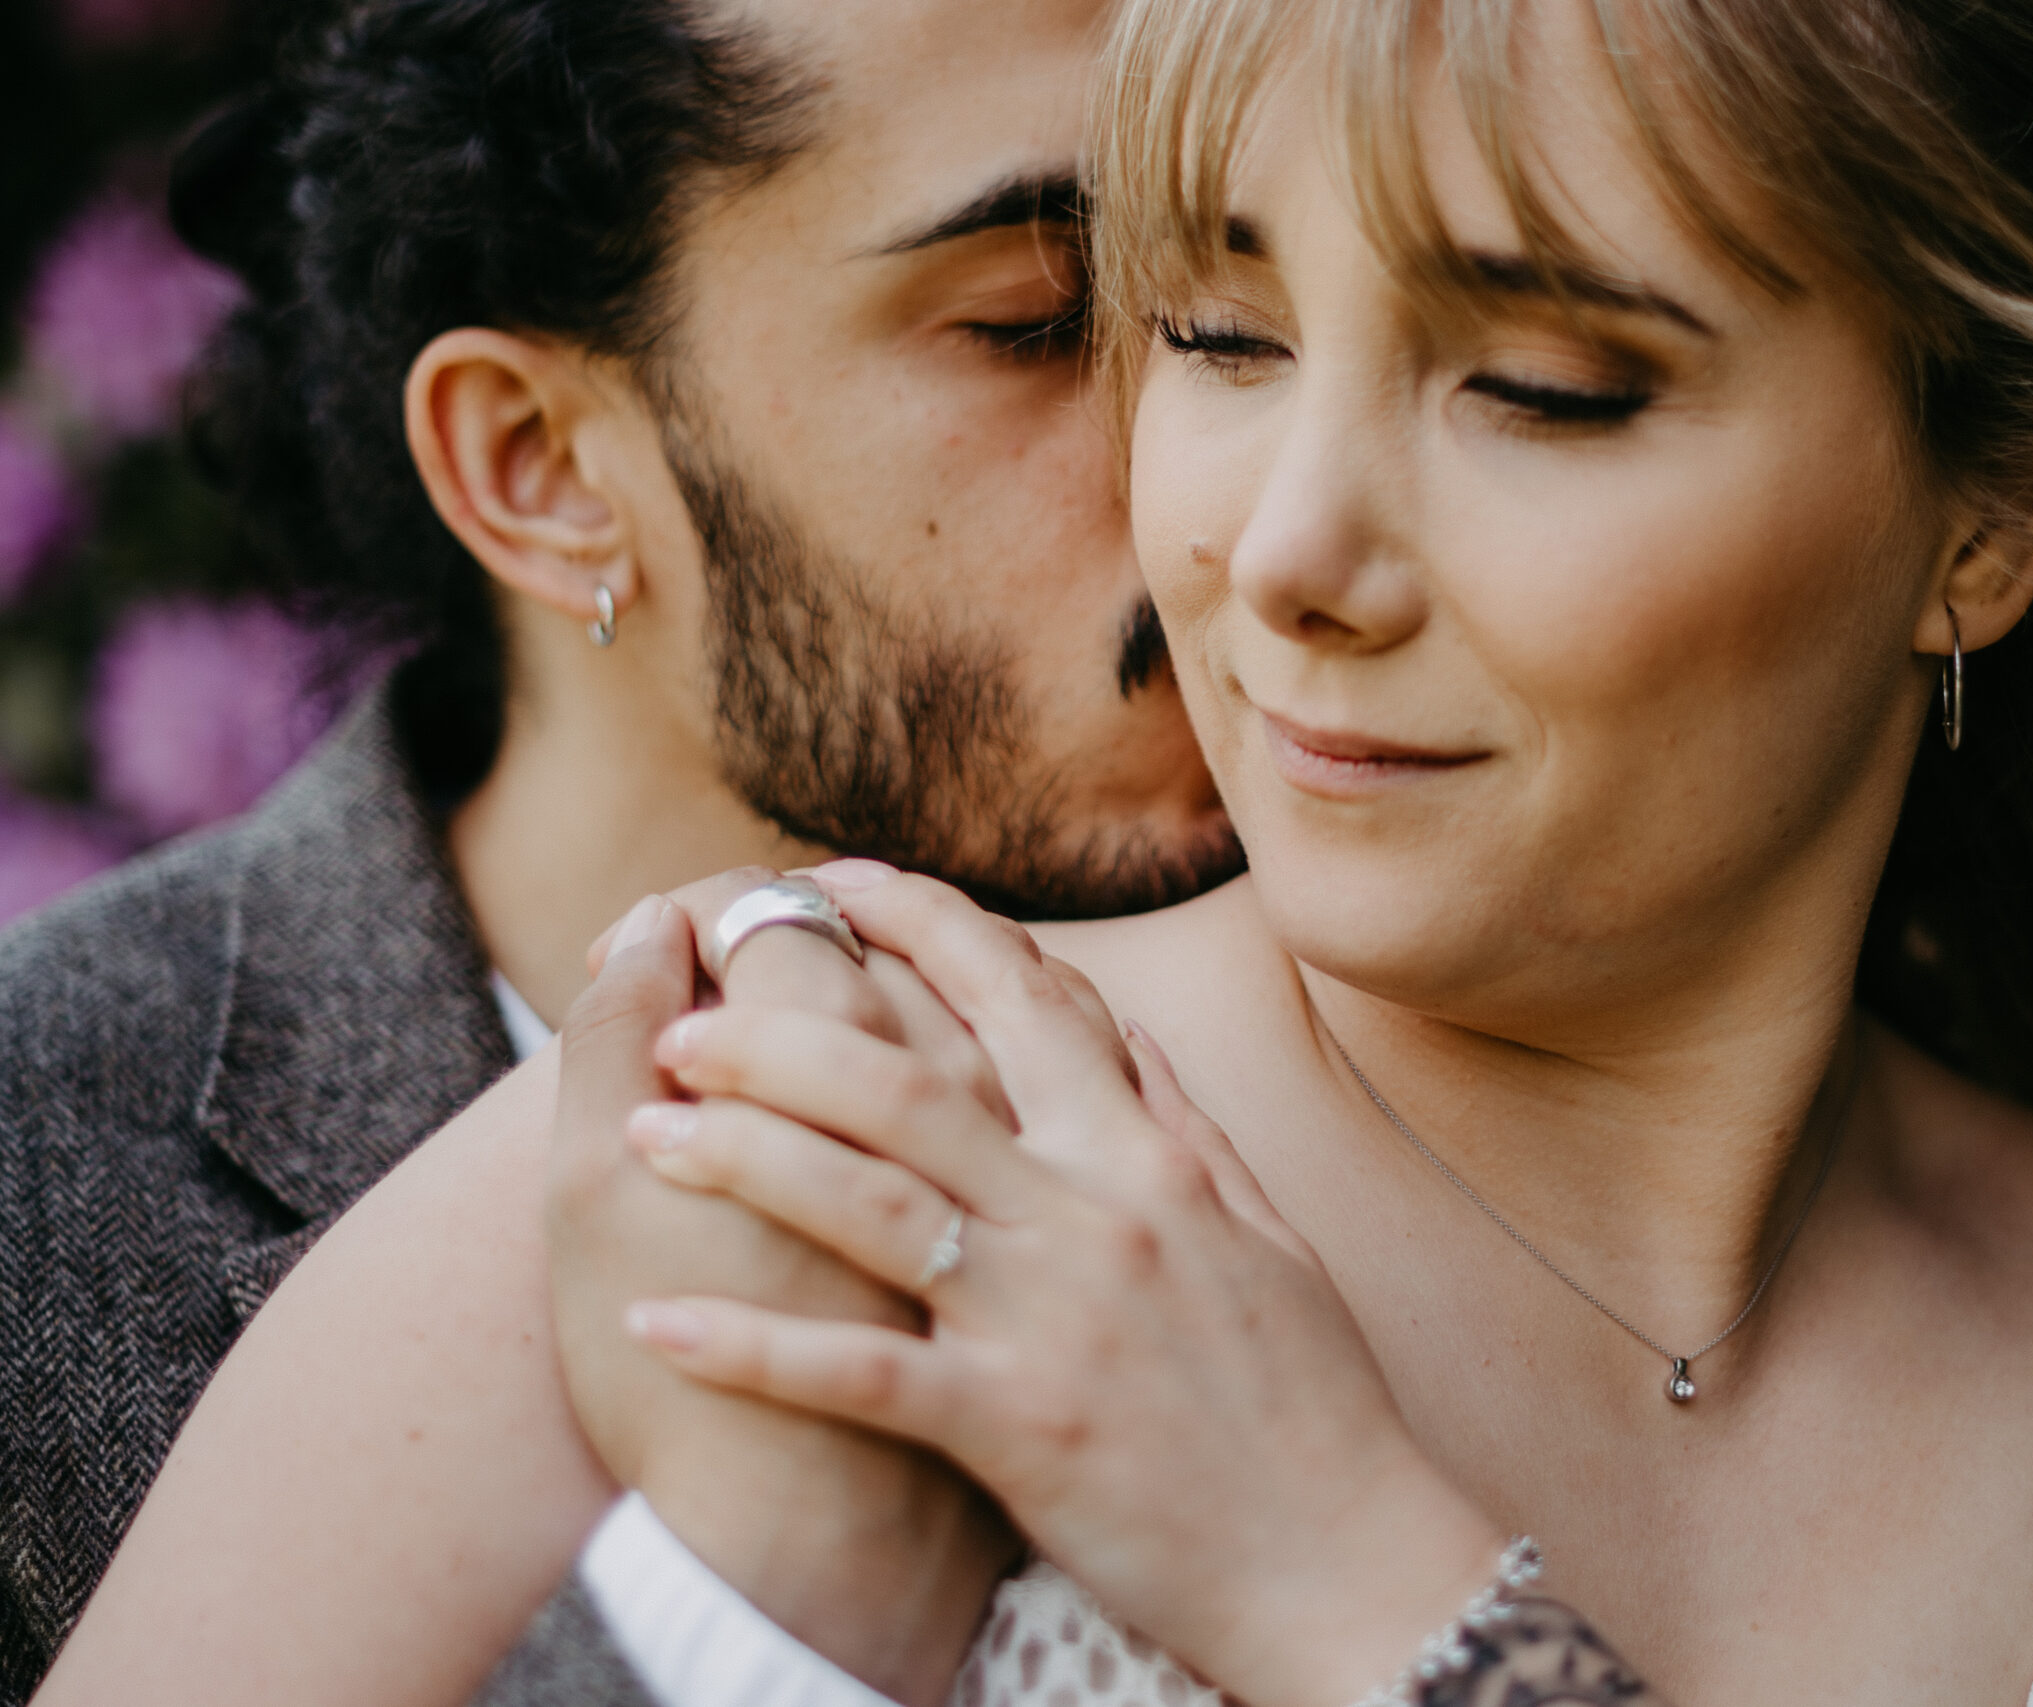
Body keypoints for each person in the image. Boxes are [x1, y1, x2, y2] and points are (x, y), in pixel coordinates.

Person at [46, 0, 2033, 1703]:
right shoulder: (792, 1144)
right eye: (1204, 333)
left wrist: (1360, 1586)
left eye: (1538, 384)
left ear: (1997, 509)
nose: (1269, 548)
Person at [0, 0, 1240, 1698]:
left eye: (1254, 316)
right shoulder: (39, 1180)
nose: (1236, 488)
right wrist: (753, 1597)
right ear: (541, 468)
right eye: (1037, 322)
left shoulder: (1403, 979)